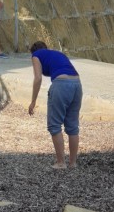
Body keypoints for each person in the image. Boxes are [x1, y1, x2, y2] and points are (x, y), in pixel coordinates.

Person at [28, 41, 83, 169]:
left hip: (61, 84)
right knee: (73, 126)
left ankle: (61, 162)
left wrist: (33, 101)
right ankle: (73, 163)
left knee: (54, 125)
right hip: (77, 84)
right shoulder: (56, 53)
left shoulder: (36, 55)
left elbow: (38, 78)